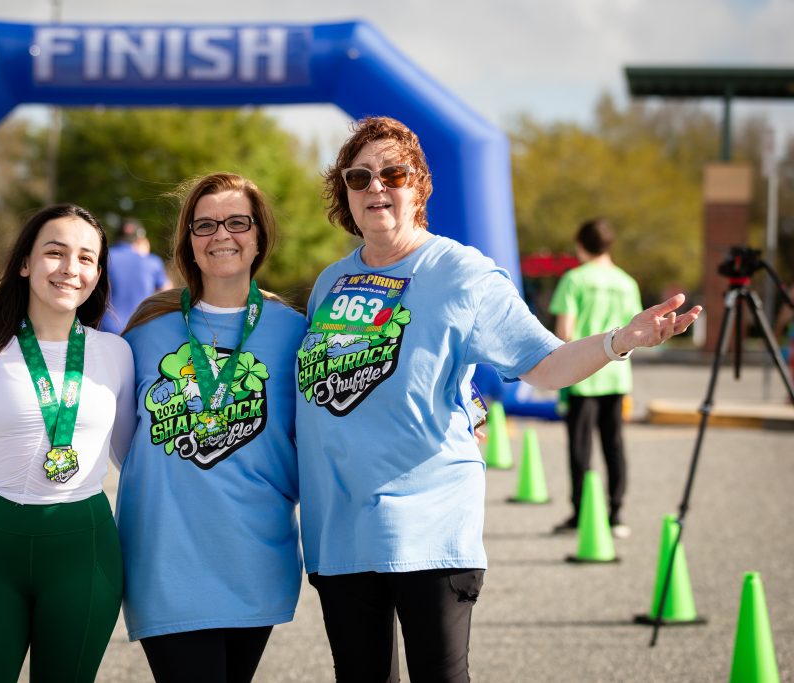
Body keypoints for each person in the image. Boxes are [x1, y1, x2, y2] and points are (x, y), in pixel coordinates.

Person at [295, 116, 701, 682]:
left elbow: (545, 362)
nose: (376, 188)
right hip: (338, 532)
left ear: (420, 185)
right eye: (359, 177)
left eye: (393, 172)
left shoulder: (460, 272)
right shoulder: (329, 283)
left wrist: (619, 341)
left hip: (427, 530)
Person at [0, 204, 136, 682]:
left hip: (86, 548)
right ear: (25, 263)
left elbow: (133, 460)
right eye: (54, 253)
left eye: (85, 258)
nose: (69, 269)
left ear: (98, 273)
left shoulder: (116, 354)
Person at [116, 172, 304, 683]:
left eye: (237, 221)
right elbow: (122, 444)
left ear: (259, 236)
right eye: (205, 225)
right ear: (188, 243)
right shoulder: (145, 330)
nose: (222, 234)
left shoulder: (295, 331)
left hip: (256, 557)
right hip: (166, 560)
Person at [549, 218, 643, 538]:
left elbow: (565, 332)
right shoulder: (627, 283)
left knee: (580, 447)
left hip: (582, 376)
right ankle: (616, 513)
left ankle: (582, 512)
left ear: (580, 244)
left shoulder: (574, 280)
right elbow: (635, 332)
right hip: (617, 376)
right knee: (614, 445)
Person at [99, 218, 171, 334]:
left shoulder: (103, 257)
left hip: (105, 331)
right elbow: (168, 294)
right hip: (140, 331)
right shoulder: (152, 262)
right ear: (141, 240)